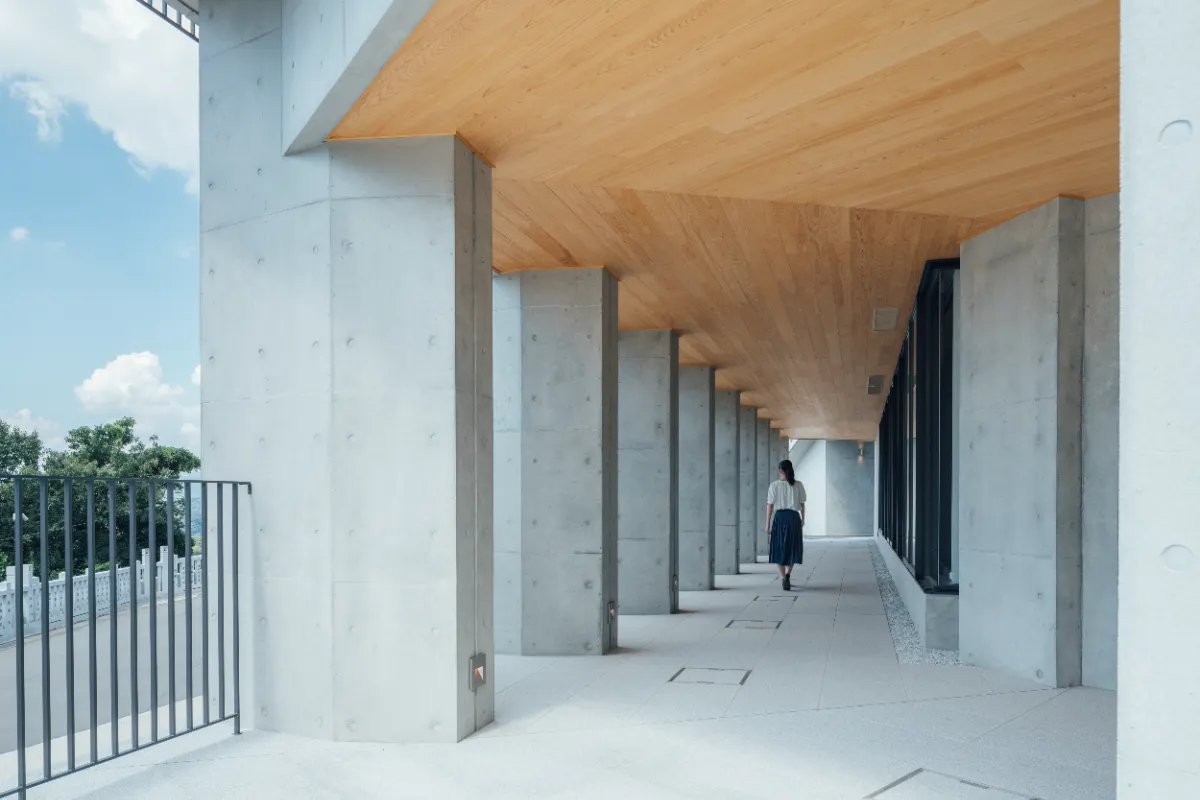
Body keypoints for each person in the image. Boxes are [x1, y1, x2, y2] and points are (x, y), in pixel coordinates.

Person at [765, 459, 805, 590]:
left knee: (778, 547)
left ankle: (783, 577)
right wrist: (803, 519)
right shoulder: (798, 484)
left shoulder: (774, 485)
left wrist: (767, 524)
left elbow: (770, 506)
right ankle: (788, 574)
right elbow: (802, 504)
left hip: (780, 517)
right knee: (792, 547)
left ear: (781, 470)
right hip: (793, 517)